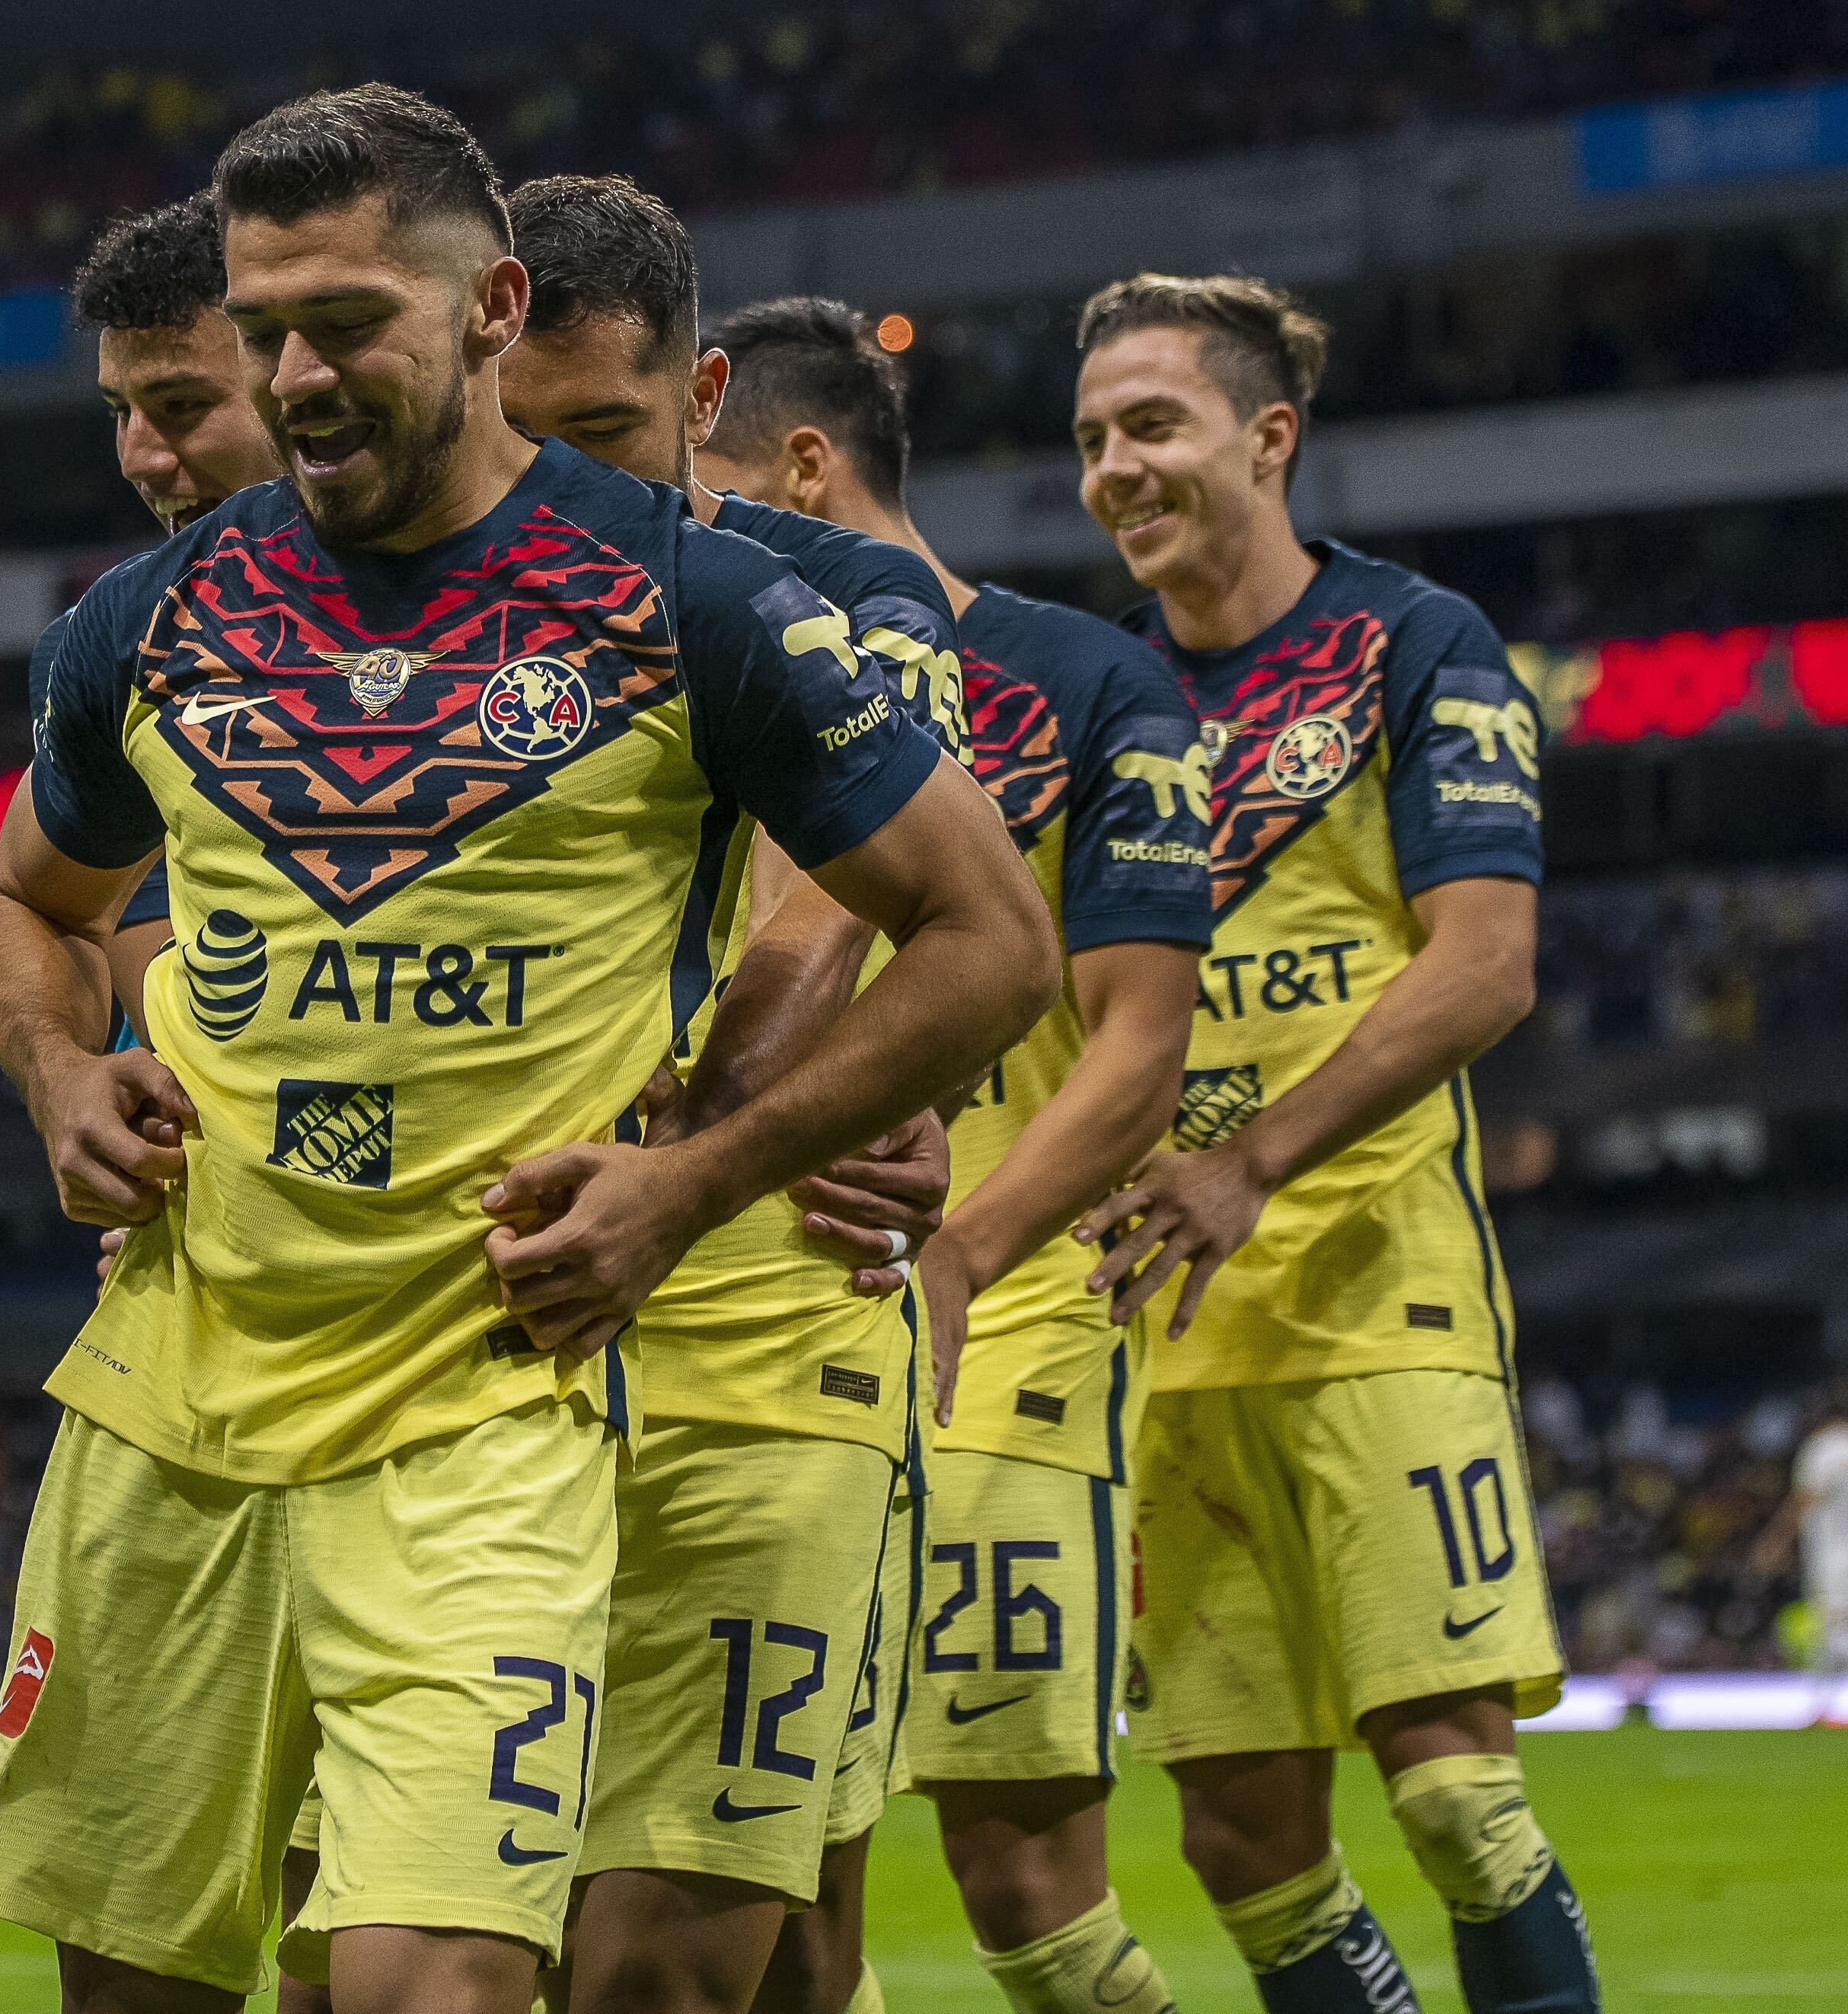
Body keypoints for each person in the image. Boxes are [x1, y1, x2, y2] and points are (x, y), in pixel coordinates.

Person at [0, 85, 1055, 2014]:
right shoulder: (149, 620)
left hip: (482, 1411)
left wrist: (699, 1176)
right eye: (266, 323)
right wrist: (57, 1071)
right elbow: (24, 907)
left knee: (435, 1989)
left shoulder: (701, 603)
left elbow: (985, 939)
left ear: (485, 308)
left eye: (350, 319)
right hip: (167, 1401)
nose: (297, 372)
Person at [1067, 273, 1598, 2014]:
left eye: (1151, 423)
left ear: (1266, 434)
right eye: (1089, 439)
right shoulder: (1092, 697)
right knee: (1239, 1839)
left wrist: (1253, 1156)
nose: (1115, 468)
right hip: (1159, 1327)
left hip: (1378, 1294)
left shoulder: (1415, 646)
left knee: (1450, 1789)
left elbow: (1485, 967)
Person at [480, 177, 965, 2014]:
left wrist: (707, 1135)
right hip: (492, 1336)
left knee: (729, 1960)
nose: (558, 489)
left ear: (701, 405)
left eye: (601, 435)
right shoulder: (431, 617)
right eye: (516, 441)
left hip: (761, 1332)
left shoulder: (840, 593)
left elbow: (828, 903)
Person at [696, 295, 1211, 2014]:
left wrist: (964, 1248)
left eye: (691, 468)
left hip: (1002, 1330)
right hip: (756, 1324)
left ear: (798, 461)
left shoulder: (1081, 681)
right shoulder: (701, 672)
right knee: (767, 1882)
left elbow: (1141, 1038)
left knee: (1023, 1882)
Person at [72, 192, 292, 1053]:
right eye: (119, 412)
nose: (136, 456)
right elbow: (48, 903)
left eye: (182, 406)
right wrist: (64, 1077)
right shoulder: (119, 641)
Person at [1751, 1377, 1848, 1727]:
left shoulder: (1824, 1447)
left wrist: (1774, 1542)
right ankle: (1821, 1704)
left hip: (1834, 1554)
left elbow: (1806, 1499)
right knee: (1827, 1629)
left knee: (1838, 1627)